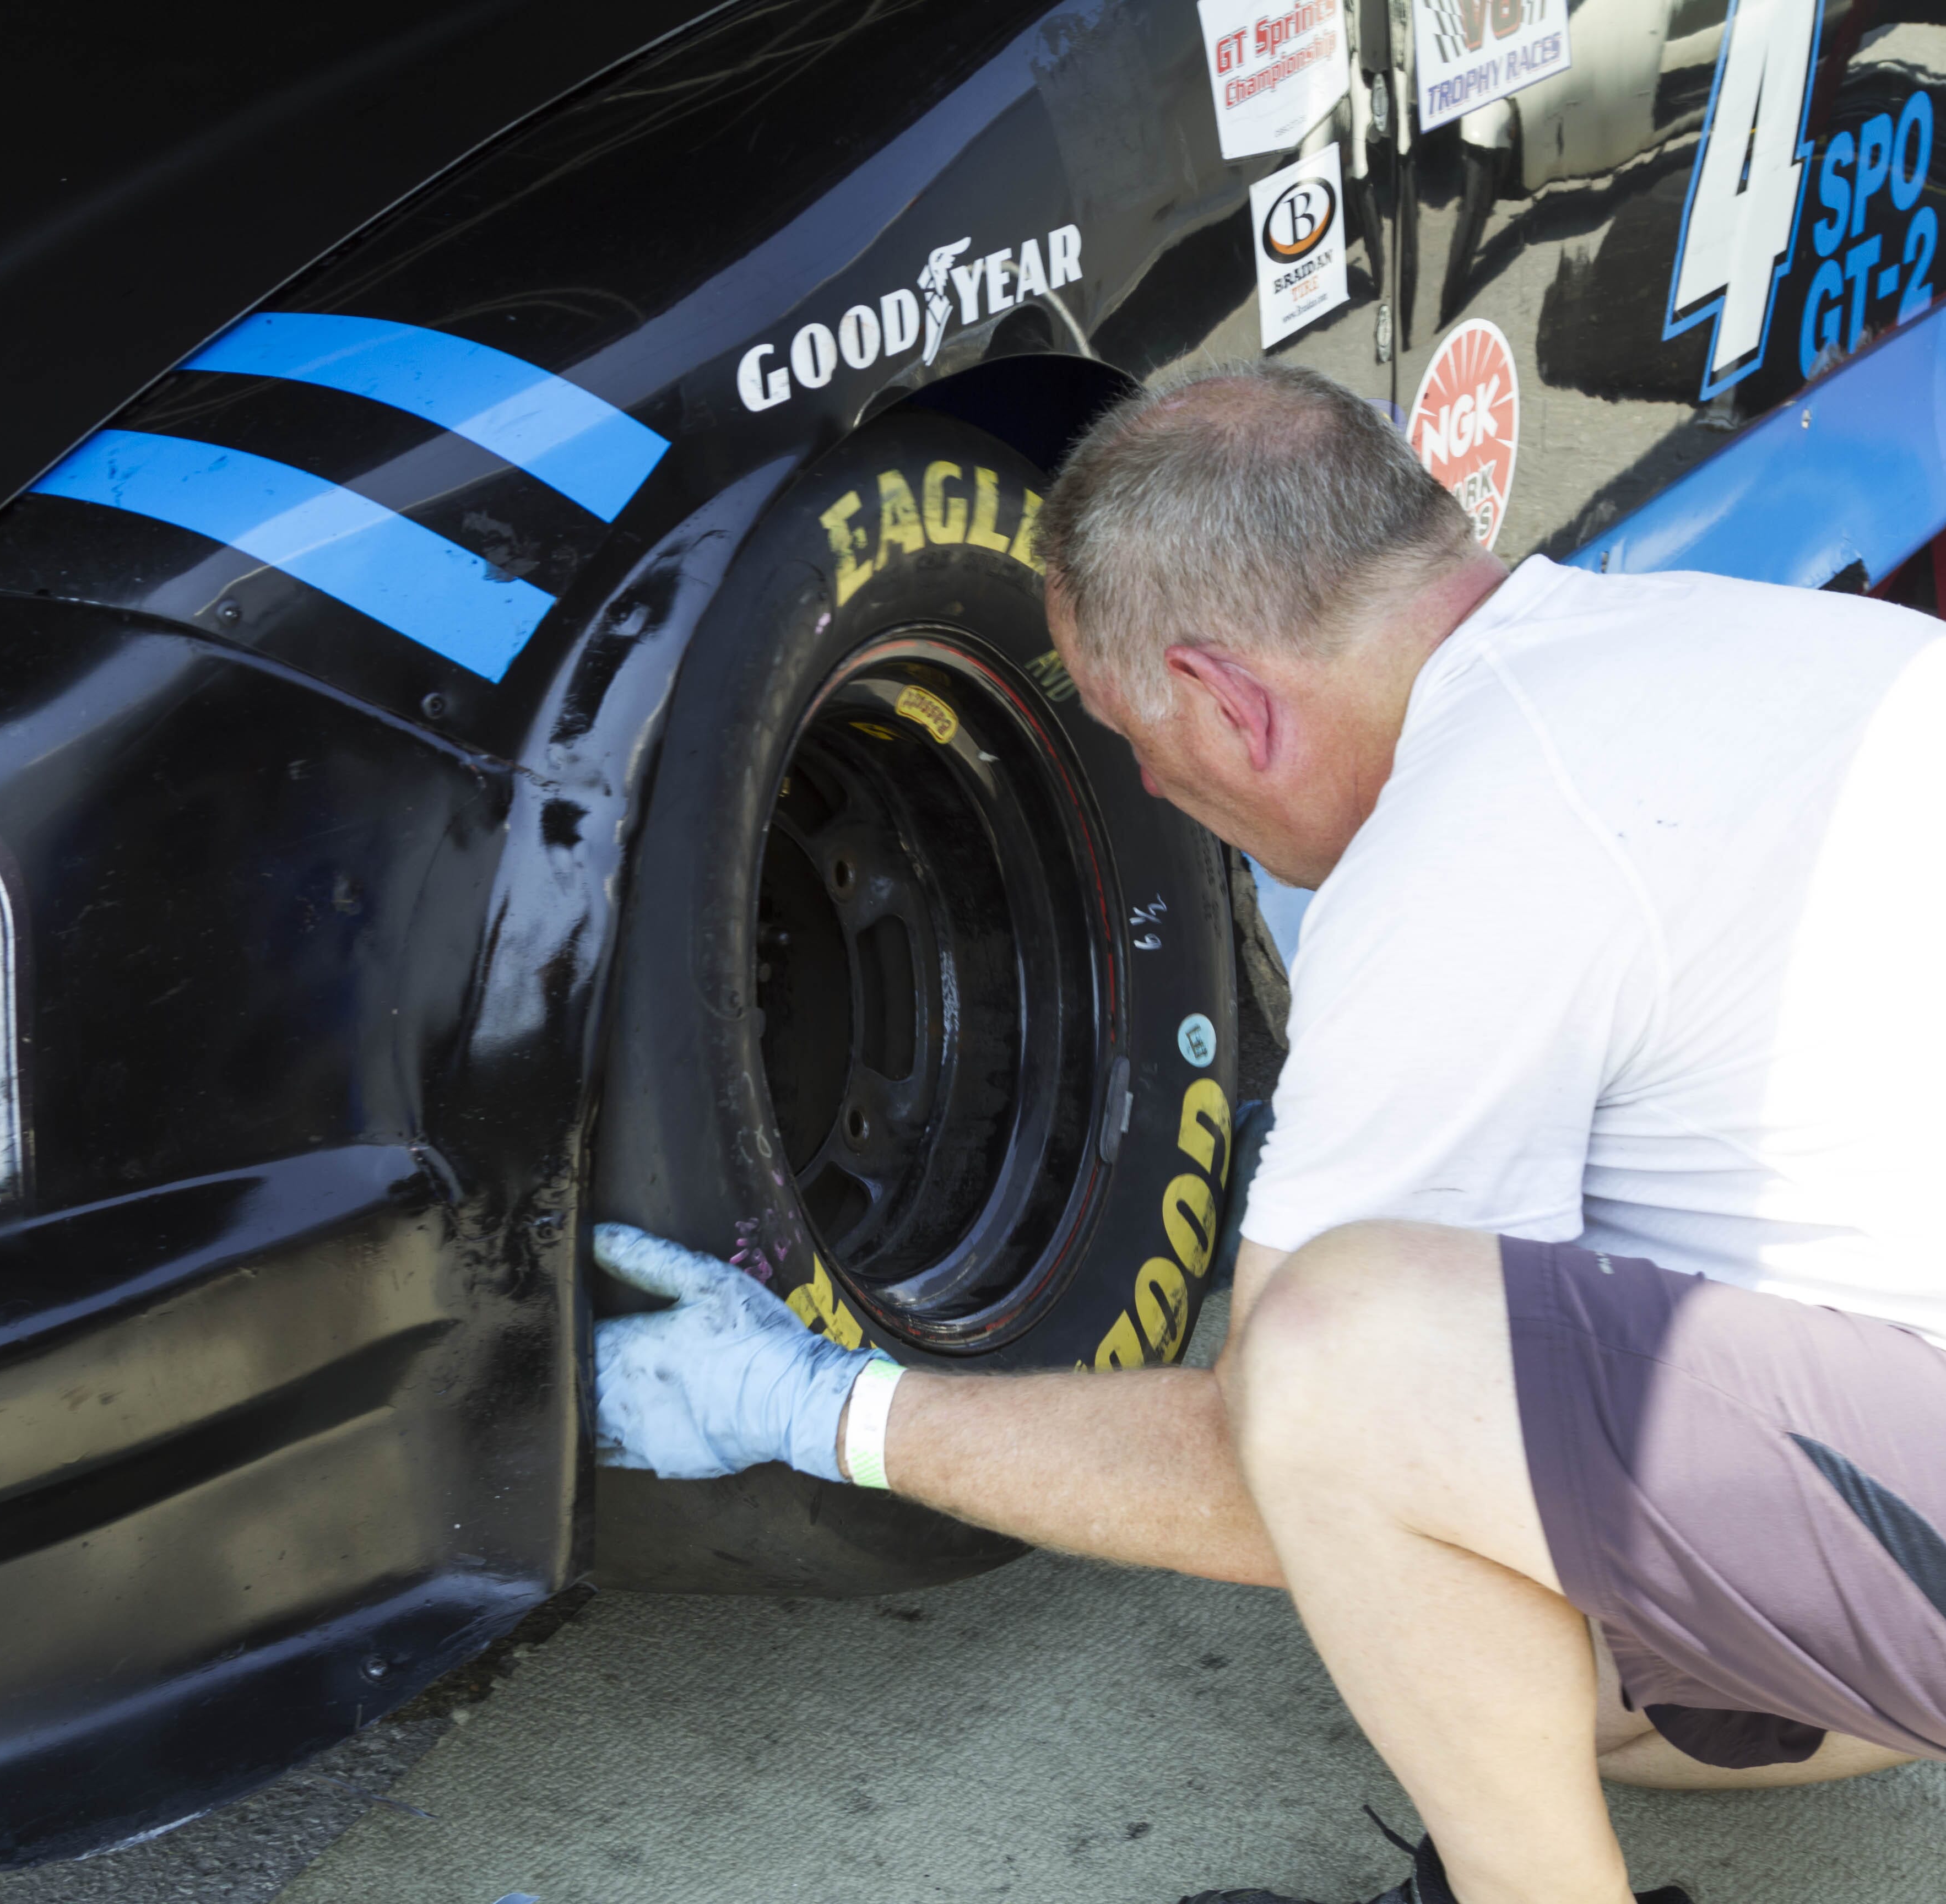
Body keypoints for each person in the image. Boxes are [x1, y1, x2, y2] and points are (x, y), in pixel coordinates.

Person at [590, 360, 1946, 1904]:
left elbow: (1283, 1458)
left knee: (1333, 1358)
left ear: (1233, 700)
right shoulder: (1697, 646)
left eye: (1138, 737)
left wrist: (815, 1406)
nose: (1154, 783)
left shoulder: (1479, 839)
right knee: (1539, 1682)